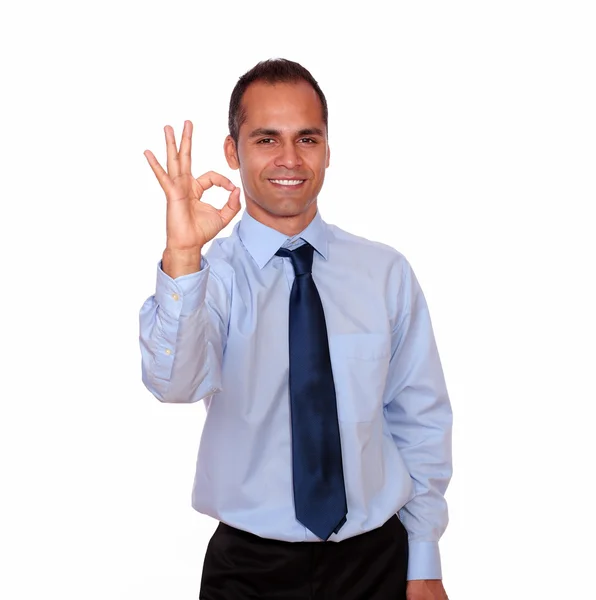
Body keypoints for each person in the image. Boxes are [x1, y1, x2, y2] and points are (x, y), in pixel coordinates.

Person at [140, 58, 452, 600]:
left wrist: (423, 558)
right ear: (233, 152)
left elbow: (419, 420)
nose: (290, 159)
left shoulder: (384, 273)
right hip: (249, 572)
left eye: (307, 139)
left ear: (328, 150)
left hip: (376, 562)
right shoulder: (208, 279)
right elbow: (174, 384)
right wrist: (185, 255)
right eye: (266, 139)